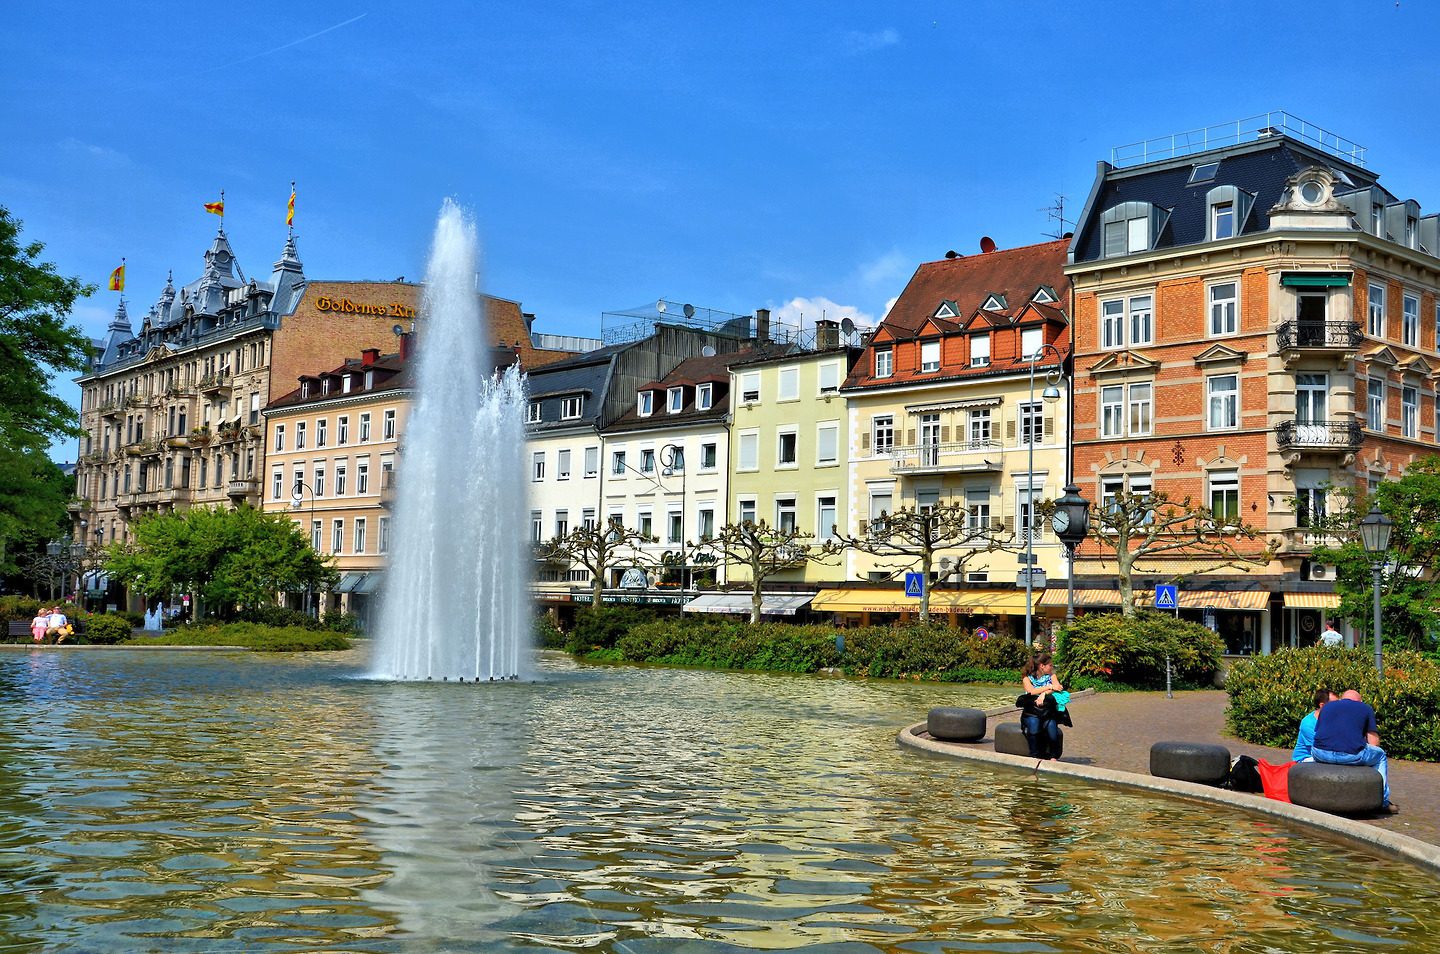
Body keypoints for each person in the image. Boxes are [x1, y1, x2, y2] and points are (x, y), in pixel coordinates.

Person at [1312, 689, 1396, 813]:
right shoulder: (1365, 708)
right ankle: (1383, 801)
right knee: (1380, 755)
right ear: (1359, 701)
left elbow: (1318, 732)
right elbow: (1373, 742)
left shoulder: (1327, 707)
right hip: (1350, 755)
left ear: (1342, 698)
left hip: (1320, 753)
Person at [1019, 653, 1065, 761]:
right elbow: (1031, 691)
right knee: (1034, 728)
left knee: (1052, 731)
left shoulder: (1052, 676)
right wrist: (1049, 687)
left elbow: (1058, 687)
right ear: (1042, 666)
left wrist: (1044, 694)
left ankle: (1053, 756)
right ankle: (1034, 756)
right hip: (1032, 711)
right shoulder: (1027, 678)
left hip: (1047, 711)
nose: (1052, 667)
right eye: (1050, 665)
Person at [1292, 688, 1337, 762]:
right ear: (1322, 705)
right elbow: (1322, 748)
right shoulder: (1308, 723)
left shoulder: (1334, 719)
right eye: (1334, 704)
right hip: (1305, 759)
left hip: (1324, 754)